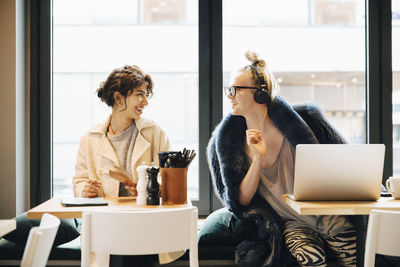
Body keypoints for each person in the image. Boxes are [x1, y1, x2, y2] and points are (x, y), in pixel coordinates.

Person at [207, 51, 358, 267]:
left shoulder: (308, 122)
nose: (229, 96)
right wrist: (257, 159)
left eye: (235, 90)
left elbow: (342, 163)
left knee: (357, 254)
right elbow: (239, 201)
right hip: (291, 223)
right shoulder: (228, 142)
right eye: (228, 89)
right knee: (311, 258)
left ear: (260, 93)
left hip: (326, 215)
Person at [72, 65, 176, 267]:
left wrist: (149, 187)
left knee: (132, 248)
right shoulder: (90, 139)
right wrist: (84, 189)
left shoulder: (155, 133)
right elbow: (78, 183)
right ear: (119, 98)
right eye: (139, 95)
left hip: (144, 223)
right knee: (119, 247)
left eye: (146, 95)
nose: (145, 102)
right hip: (107, 224)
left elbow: (171, 179)